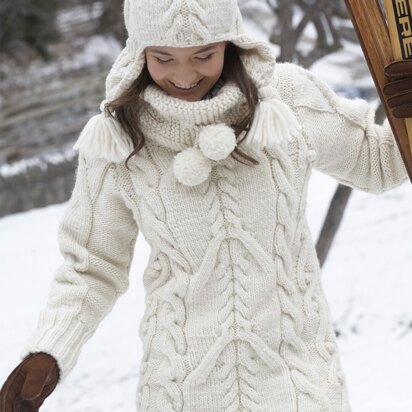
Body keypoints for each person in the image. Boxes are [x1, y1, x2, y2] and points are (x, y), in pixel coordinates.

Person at [0, 0, 410, 411]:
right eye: (163, 58)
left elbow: (380, 165)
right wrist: (48, 351)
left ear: (230, 44)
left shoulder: (285, 100)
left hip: (299, 390)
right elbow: (92, 267)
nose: (184, 74)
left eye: (203, 55)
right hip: (183, 393)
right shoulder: (119, 137)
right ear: (139, 51)